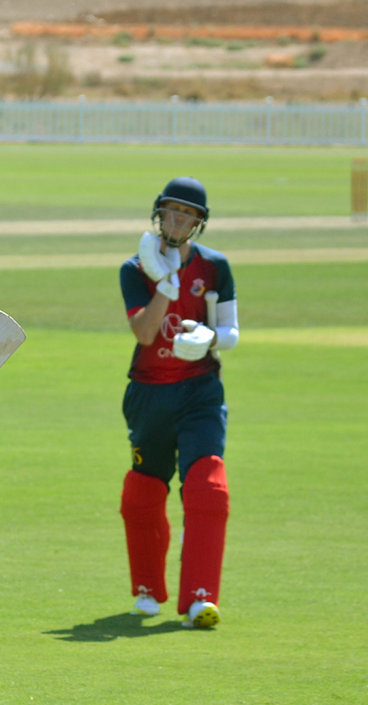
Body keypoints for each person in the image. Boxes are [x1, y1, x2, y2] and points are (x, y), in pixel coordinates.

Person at [117, 177, 239, 629]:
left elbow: (231, 331)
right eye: (170, 211)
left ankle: (200, 599)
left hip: (200, 390)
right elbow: (146, 334)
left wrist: (210, 338)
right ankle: (149, 589)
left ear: (198, 223)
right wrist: (165, 286)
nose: (176, 221)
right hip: (149, 392)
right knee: (143, 494)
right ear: (158, 214)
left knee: (208, 487)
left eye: (186, 214)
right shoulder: (134, 269)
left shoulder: (215, 267)